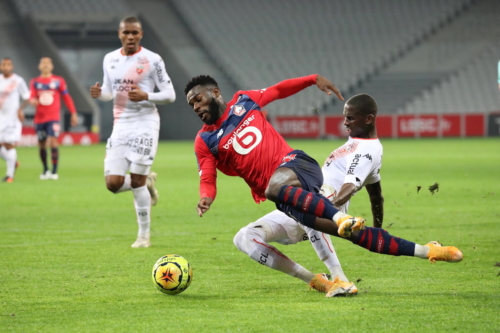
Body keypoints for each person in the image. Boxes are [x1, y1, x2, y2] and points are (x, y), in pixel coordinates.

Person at [185, 75, 463, 292]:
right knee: (245, 237)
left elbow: (277, 90)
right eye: (191, 105)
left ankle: (340, 276)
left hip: (296, 167)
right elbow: (208, 176)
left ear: (215, 93)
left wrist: (311, 79)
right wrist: (206, 196)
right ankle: (427, 251)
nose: (196, 107)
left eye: (198, 99)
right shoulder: (204, 140)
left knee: (282, 193)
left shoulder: (244, 101)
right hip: (292, 199)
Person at [234, 94, 384, 297]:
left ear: (368, 118)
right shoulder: (355, 144)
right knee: (244, 237)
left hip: (324, 202)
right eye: (345, 117)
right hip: (311, 198)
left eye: (350, 118)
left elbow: (351, 186)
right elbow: (376, 196)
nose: (345, 122)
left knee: (306, 212)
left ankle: (341, 280)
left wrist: (326, 209)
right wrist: (377, 230)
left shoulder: (368, 149)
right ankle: (317, 280)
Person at [90, 16, 176, 248]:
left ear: (141, 35)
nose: (130, 37)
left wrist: (146, 95)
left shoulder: (152, 59)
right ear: (119, 34)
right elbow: (109, 91)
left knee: (136, 181)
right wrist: (101, 94)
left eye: (134, 33)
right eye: (126, 32)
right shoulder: (110, 59)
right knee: (113, 184)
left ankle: (143, 236)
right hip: (121, 125)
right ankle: (147, 182)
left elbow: (170, 94)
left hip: (145, 124)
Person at [30, 57, 78, 180]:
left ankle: (54, 172)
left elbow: (66, 97)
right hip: (40, 119)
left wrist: (73, 112)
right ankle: (45, 170)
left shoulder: (58, 81)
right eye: (43, 63)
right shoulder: (35, 82)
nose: (45, 65)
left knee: (53, 142)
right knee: (41, 144)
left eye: (48, 63)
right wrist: (33, 100)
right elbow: (31, 96)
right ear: (39, 66)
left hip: (53, 117)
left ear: (52, 66)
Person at [0, 58, 30, 182]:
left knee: (9, 145)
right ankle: (12, 162)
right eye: (3, 65)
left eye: (8, 65)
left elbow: (27, 97)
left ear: (12, 67)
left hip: (13, 118)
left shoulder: (18, 81)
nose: (6, 67)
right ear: (1, 67)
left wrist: (20, 110)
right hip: (0, 117)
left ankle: (9, 175)